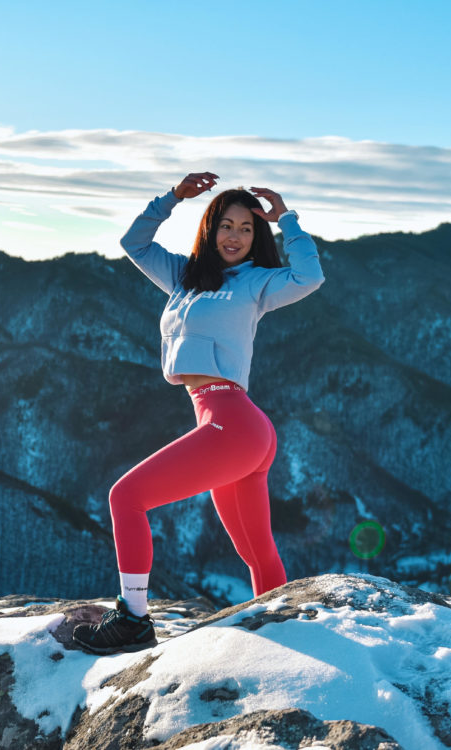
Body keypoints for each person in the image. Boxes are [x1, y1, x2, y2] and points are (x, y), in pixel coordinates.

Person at [72, 172, 325, 655]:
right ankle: (281, 637)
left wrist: (287, 219)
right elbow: (134, 242)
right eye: (226, 225)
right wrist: (171, 199)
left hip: (234, 423)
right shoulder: (184, 277)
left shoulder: (257, 282)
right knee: (255, 551)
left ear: (257, 237)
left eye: (247, 229)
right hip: (228, 424)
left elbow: (310, 276)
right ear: (210, 229)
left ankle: (133, 620)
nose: (234, 236)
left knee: (125, 497)